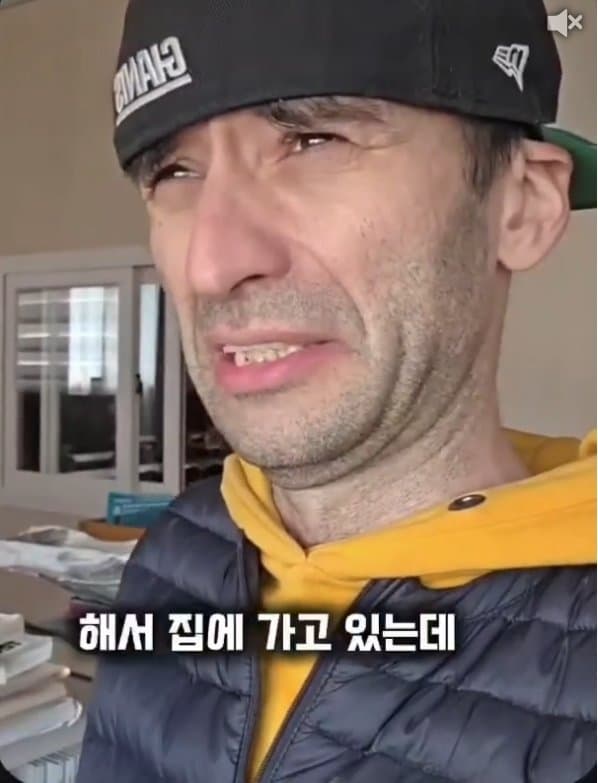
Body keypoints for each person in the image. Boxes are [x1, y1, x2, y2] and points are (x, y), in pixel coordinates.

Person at [76, 1, 597, 781]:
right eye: (173, 171)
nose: (213, 264)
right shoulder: (172, 559)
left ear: (521, 207)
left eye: (314, 140)